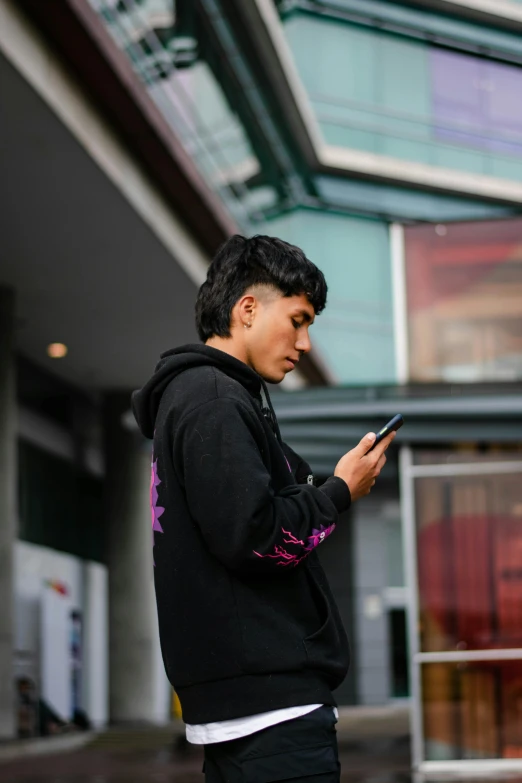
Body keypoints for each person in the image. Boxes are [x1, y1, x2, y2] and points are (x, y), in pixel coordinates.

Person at [131, 234, 395, 783]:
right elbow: (257, 538)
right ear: (247, 309)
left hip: (246, 708)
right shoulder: (213, 399)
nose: (303, 342)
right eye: (297, 320)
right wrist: (339, 491)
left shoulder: (205, 397)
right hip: (271, 713)